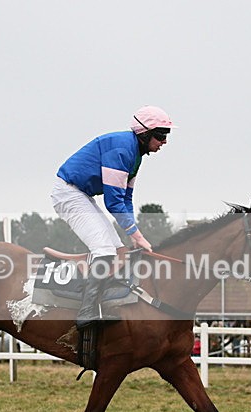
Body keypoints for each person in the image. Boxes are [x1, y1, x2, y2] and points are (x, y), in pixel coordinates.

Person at [52, 105, 175, 330]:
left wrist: (135, 234)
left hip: (82, 194)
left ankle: (103, 304)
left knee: (118, 250)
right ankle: (86, 311)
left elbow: (126, 200)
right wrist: (137, 236)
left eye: (166, 136)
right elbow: (113, 202)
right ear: (144, 133)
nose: (164, 141)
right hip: (69, 193)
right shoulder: (122, 150)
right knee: (104, 250)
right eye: (160, 136)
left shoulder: (136, 156)